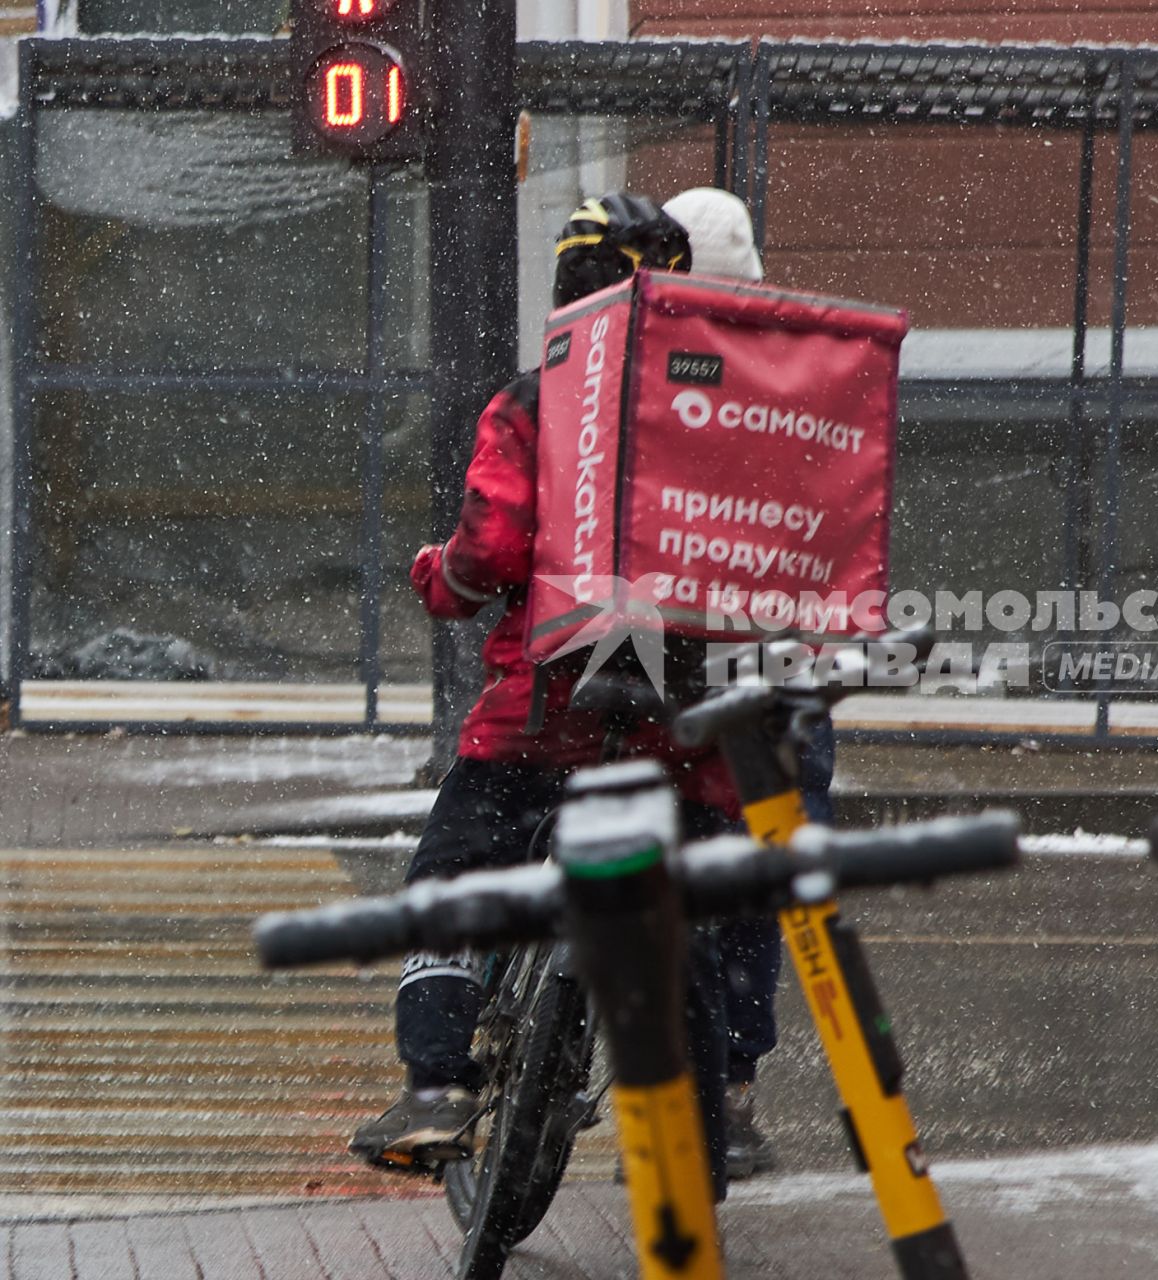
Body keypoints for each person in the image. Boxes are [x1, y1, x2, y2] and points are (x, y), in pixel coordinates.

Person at [350, 192, 739, 1192]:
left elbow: (490, 550)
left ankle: (438, 1085)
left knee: (452, 875)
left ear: (568, 295)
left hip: (543, 721)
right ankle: (707, 1123)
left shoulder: (537, 399)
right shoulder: (723, 402)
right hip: (680, 733)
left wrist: (440, 575)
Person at [661, 187, 840, 1180]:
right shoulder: (793, 378)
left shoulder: (657, 370)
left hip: (709, 663)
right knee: (751, 884)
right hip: (760, 667)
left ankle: (711, 1081)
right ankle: (723, 1086)